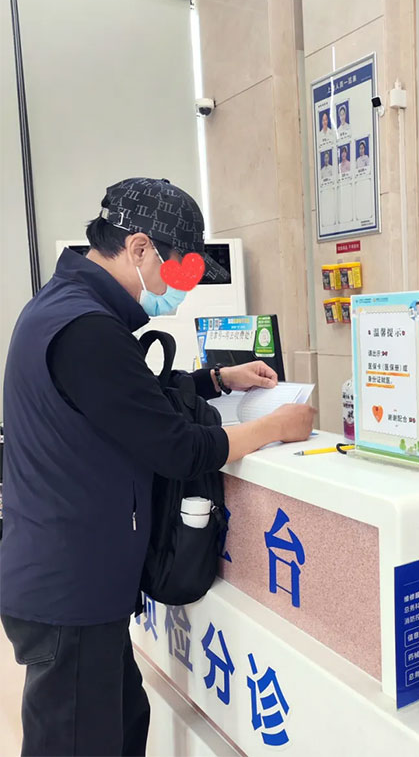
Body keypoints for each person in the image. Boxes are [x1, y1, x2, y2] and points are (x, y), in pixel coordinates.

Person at [0, 177, 315, 756]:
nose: (182, 292)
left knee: (122, 726)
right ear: (140, 248)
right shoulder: (86, 328)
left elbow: (129, 399)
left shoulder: (68, 308)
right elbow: (177, 447)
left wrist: (218, 379)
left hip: (75, 580)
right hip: (70, 588)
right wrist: (275, 426)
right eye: (181, 273)